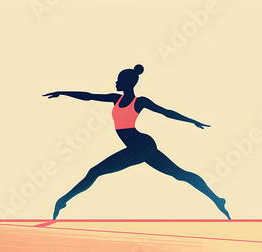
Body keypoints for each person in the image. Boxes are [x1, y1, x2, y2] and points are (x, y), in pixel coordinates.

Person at [43, 64, 230, 220]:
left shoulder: (139, 101)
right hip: (140, 146)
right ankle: (217, 199)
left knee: (95, 171)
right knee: (179, 174)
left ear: (127, 82)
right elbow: (89, 95)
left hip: (141, 146)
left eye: (119, 79)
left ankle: (63, 200)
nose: (116, 82)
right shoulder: (116, 99)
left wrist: (192, 121)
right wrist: (62, 92)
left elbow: (165, 112)